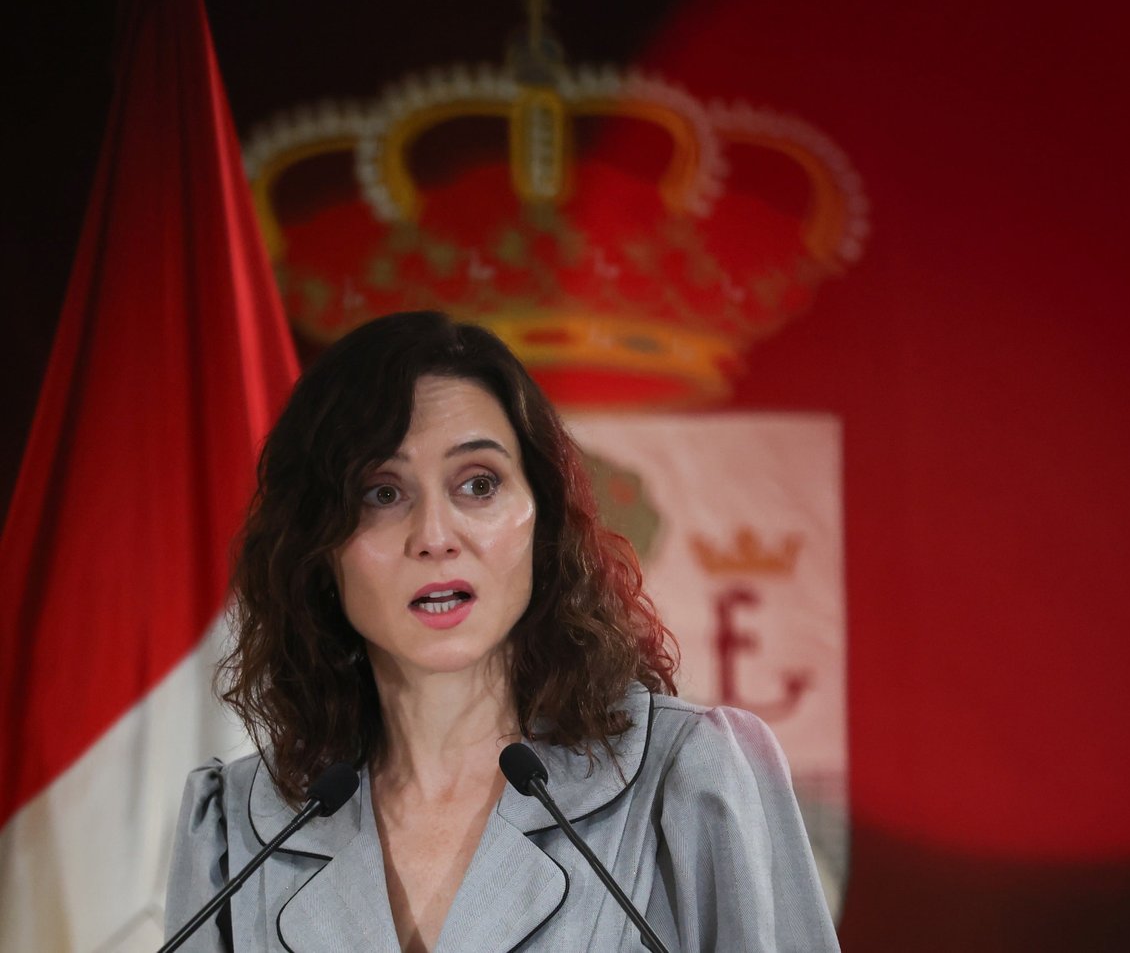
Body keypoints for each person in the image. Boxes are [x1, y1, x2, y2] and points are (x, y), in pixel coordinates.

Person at [163, 311, 839, 952]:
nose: (434, 536)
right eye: (382, 492)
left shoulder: (686, 777)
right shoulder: (238, 829)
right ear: (317, 545)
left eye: (478, 484)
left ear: (542, 518)